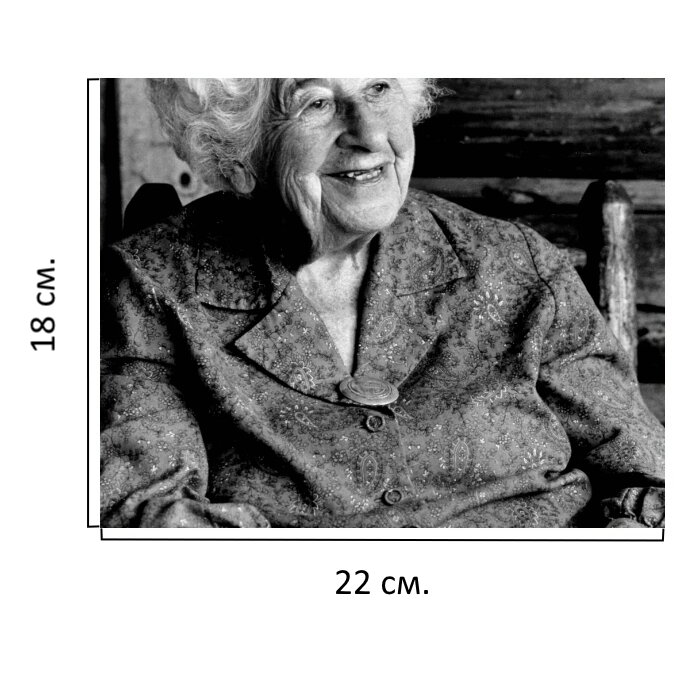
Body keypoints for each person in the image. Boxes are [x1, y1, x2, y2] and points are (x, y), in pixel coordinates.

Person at [100, 78, 664, 528]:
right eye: (317, 103)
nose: (369, 133)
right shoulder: (155, 285)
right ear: (241, 146)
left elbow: (650, 479)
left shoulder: (514, 264)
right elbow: (145, 513)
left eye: (378, 88)